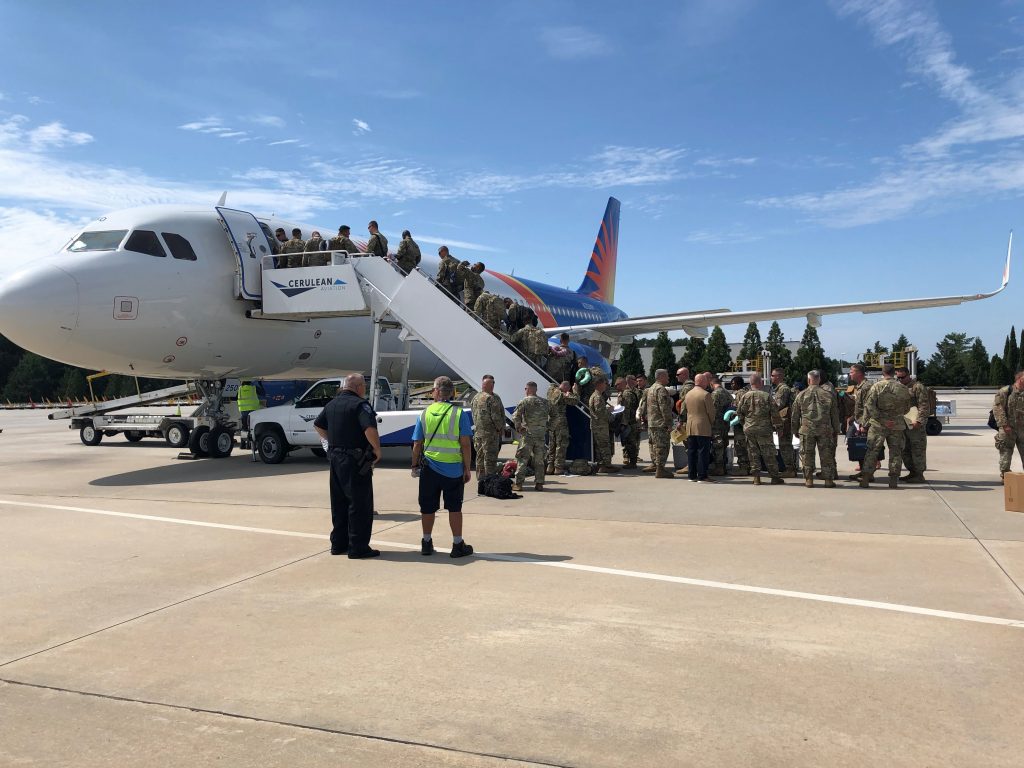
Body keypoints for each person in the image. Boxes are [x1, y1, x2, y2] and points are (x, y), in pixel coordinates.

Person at [313, 374, 382, 559]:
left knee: (339, 502)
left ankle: (338, 544)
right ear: (358, 387)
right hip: (355, 461)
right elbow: (369, 429)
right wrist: (377, 450)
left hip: (335, 458)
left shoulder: (332, 404)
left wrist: (333, 441)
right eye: (364, 386)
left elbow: (318, 425)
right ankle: (358, 547)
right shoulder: (361, 405)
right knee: (359, 503)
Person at [411, 376, 474, 557]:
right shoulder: (459, 414)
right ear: (452, 393)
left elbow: (417, 444)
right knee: (454, 507)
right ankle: (457, 544)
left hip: (429, 468)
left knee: (428, 507)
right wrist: (467, 468)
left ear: (435, 393)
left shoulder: (424, 413)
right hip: (453, 469)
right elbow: (466, 444)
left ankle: (426, 542)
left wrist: (414, 465)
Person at [859, 363, 912, 489]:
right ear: (894, 373)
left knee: (872, 451)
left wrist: (881, 419)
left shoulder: (876, 387)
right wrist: (895, 417)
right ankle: (893, 480)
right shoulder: (903, 388)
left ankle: (866, 478)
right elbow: (907, 408)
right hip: (897, 425)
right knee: (896, 452)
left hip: (878, 425)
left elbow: (869, 406)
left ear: (883, 373)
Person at [790, 369, 840, 488]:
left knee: (807, 455)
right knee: (826, 455)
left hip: (807, 430)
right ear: (819, 380)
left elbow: (795, 415)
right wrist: (836, 429)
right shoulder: (828, 394)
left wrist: (795, 430)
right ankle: (828, 480)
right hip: (825, 430)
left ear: (808, 380)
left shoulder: (801, 395)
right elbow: (834, 414)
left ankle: (809, 480)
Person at [736, 373, 784, 485]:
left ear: (750, 383)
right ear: (760, 382)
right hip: (764, 429)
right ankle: (774, 477)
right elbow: (774, 413)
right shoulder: (766, 396)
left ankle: (756, 477)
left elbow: (739, 413)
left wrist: (745, 423)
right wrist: (779, 427)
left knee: (753, 453)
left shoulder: (744, 396)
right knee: (768, 453)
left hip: (749, 429)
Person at [512, 381, 551, 491]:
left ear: (528, 389)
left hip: (528, 434)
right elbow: (550, 418)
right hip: (540, 435)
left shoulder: (524, 401)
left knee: (523, 458)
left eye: (525, 389)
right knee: (539, 460)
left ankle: (518, 484)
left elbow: (516, 416)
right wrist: (544, 428)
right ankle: (539, 483)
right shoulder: (544, 402)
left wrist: (519, 428)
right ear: (536, 390)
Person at [896, 366, 930, 484]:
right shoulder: (899, 387)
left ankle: (919, 474)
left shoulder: (917, 387)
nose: (900, 380)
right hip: (903, 423)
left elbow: (924, 405)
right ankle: (912, 472)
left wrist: (919, 421)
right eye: (898, 377)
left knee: (917, 449)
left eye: (902, 377)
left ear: (908, 375)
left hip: (915, 423)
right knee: (906, 449)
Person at [470, 374, 505, 479]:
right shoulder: (491, 398)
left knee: (480, 457)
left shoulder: (475, 397)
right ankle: (490, 479)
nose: (492, 385)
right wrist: (500, 428)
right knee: (490, 458)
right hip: (490, 434)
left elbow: (473, 414)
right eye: (491, 383)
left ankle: (480, 479)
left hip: (478, 433)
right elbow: (496, 416)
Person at [993, 369, 1024, 483]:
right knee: (1006, 452)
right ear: (1020, 378)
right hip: (1008, 429)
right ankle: (1005, 475)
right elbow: (998, 408)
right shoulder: (1005, 391)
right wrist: (1004, 425)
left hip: (1022, 429)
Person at [684, 373, 715, 482]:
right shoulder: (706, 394)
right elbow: (711, 412)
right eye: (706, 381)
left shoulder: (688, 394)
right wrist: (712, 422)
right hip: (703, 426)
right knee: (703, 452)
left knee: (692, 452)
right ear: (702, 381)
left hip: (690, 425)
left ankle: (691, 476)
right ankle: (702, 476)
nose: (707, 383)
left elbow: (685, 410)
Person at [644, 369, 675, 478]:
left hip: (652, 423)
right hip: (660, 424)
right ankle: (660, 469)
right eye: (666, 376)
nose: (668, 378)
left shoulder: (651, 388)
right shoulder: (661, 389)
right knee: (662, 446)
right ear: (661, 376)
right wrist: (669, 423)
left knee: (654, 446)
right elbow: (665, 408)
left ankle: (657, 466)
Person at [545, 381, 579, 475]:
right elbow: (575, 400)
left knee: (552, 445)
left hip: (551, 422)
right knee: (561, 445)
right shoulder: (562, 395)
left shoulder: (550, 391)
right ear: (565, 386)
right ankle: (558, 468)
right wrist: (575, 391)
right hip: (561, 423)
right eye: (568, 388)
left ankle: (550, 466)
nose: (568, 390)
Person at [848, 362, 874, 480]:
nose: (850, 374)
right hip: (859, 421)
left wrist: (865, 425)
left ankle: (868, 474)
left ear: (859, 373)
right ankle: (864, 471)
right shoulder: (859, 386)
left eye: (852, 372)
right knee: (858, 447)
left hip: (865, 423)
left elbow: (869, 407)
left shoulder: (867, 386)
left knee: (866, 448)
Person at [770, 367, 797, 477]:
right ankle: (790, 469)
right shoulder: (780, 389)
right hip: (784, 421)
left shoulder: (783, 389)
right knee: (784, 445)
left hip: (785, 422)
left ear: (778, 376)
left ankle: (790, 469)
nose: (771, 377)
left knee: (785, 445)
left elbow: (778, 405)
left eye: (772, 375)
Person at [589, 379, 619, 474]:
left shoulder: (597, 395)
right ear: (599, 384)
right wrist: (610, 413)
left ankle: (602, 465)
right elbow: (600, 412)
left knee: (600, 446)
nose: (606, 385)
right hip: (600, 426)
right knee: (604, 446)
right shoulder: (597, 396)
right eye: (605, 384)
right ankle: (606, 466)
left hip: (599, 425)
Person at [708, 374, 732, 476]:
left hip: (716, 424)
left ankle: (719, 468)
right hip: (725, 424)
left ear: (711, 383)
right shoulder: (727, 393)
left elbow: (711, 410)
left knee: (717, 446)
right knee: (724, 444)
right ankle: (723, 467)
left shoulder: (715, 394)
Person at [618, 375, 641, 469]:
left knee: (630, 443)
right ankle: (632, 461)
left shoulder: (627, 393)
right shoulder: (629, 392)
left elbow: (626, 410)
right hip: (633, 422)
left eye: (617, 385)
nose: (616, 387)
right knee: (631, 442)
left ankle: (633, 463)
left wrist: (624, 423)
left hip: (629, 423)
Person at [729, 376, 750, 475]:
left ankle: (743, 468)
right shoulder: (747, 392)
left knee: (740, 446)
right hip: (747, 424)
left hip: (740, 424)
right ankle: (748, 466)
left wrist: (732, 414)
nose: (732, 385)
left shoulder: (739, 394)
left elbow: (739, 409)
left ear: (738, 384)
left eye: (733, 383)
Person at [237, 379, 264, 448]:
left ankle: (243, 444)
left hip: (243, 411)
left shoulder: (239, 389)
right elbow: (263, 393)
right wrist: (260, 384)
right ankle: (252, 445)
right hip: (253, 410)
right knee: (253, 428)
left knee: (244, 428)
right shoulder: (253, 388)